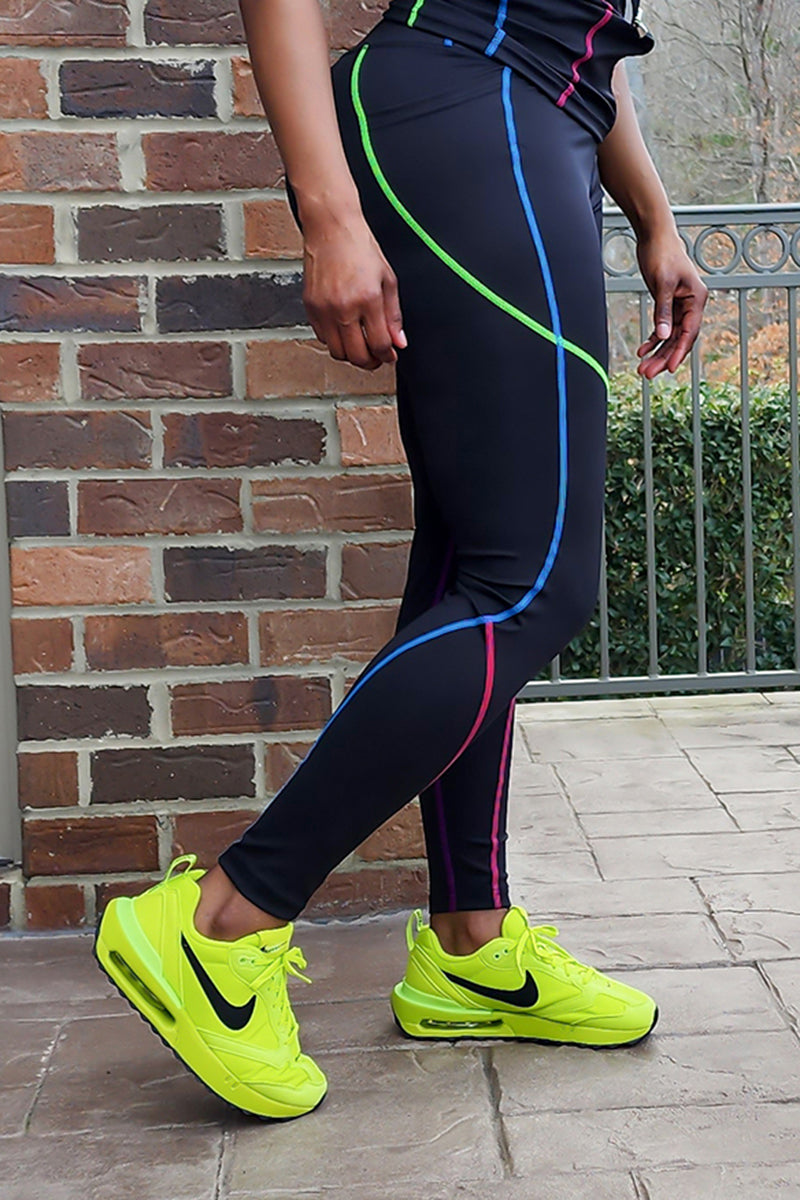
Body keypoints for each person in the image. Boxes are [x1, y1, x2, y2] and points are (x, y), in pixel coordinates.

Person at [94, 0, 708, 1121]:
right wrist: (328, 215)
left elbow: (585, 40)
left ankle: (470, 945)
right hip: (466, 106)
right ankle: (221, 922)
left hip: (533, 125)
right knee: (533, 583)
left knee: (474, 562)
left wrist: (650, 213)